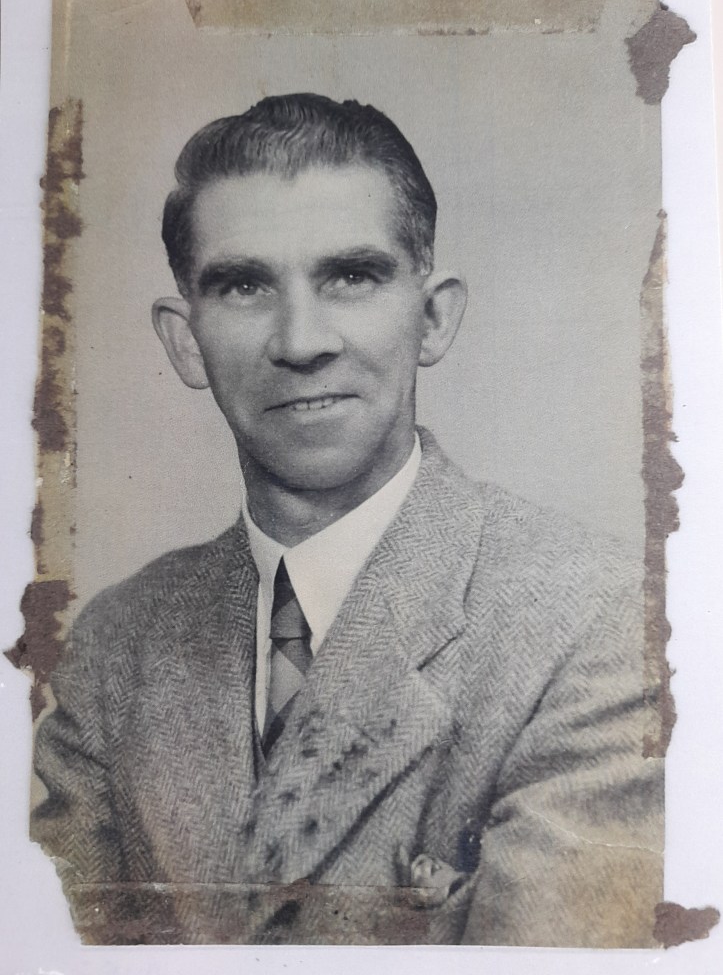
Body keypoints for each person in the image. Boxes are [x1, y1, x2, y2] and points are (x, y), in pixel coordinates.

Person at [31, 93, 663, 947]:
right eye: (245, 285)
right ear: (185, 341)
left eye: (350, 277)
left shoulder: (602, 621)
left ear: (431, 317)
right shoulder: (117, 646)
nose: (301, 341)